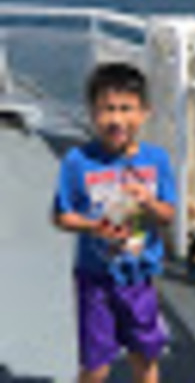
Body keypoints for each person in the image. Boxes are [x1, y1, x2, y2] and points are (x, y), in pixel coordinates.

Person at [53, 62, 176, 383]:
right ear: (92, 112)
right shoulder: (77, 161)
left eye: (126, 109)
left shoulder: (157, 159)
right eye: (107, 109)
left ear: (145, 112)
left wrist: (149, 202)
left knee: (145, 356)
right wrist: (92, 227)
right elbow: (61, 215)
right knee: (96, 366)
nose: (117, 119)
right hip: (95, 279)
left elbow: (168, 214)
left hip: (140, 278)